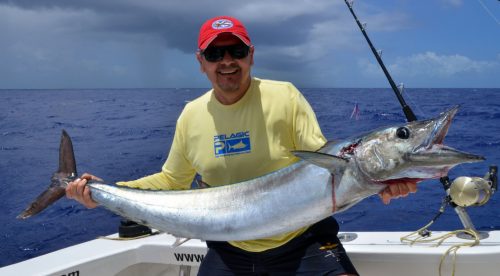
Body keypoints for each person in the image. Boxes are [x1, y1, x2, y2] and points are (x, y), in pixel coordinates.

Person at [66, 16, 417, 275]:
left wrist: (381, 183)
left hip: (303, 241)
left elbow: (326, 167)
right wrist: (99, 191)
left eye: (236, 51)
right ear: (201, 63)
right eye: (215, 54)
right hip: (229, 250)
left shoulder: (285, 97)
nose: (227, 62)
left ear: (250, 55)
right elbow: (171, 181)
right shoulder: (191, 115)